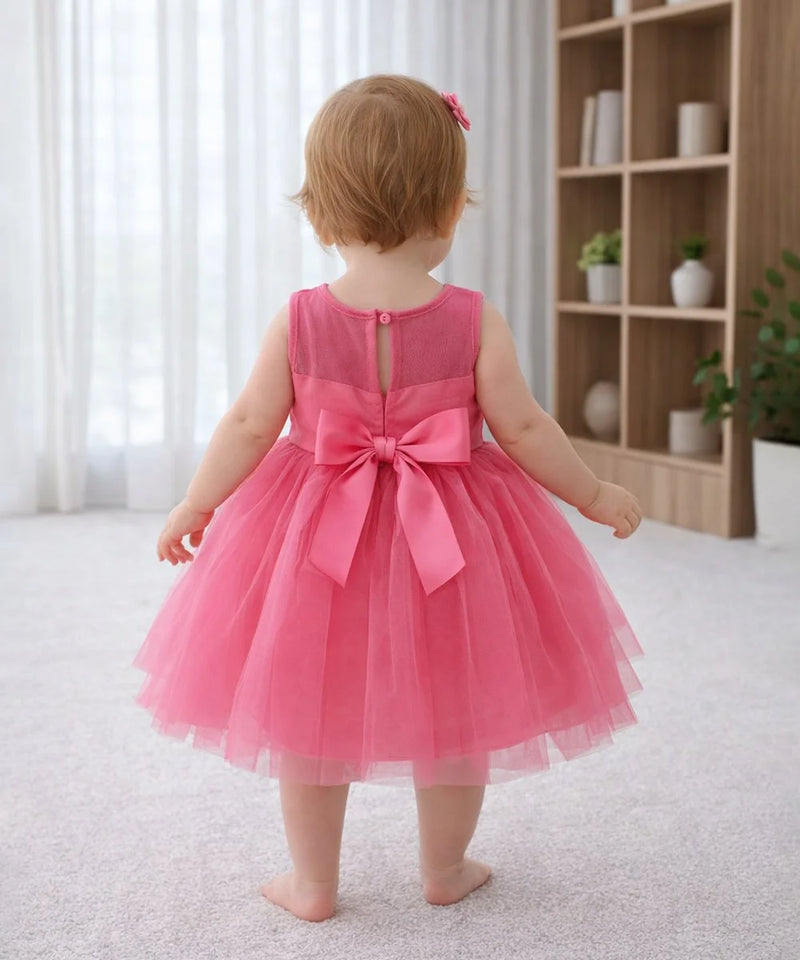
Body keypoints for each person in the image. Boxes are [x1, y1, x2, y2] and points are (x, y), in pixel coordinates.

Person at [132, 74, 643, 924]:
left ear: (321, 207)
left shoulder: (298, 319)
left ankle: (314, 884)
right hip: (452, 542)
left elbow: (252, 424)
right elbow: (522, 427)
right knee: (458, 703)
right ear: (449, 207)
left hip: (313, 542)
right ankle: (443, 867)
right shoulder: (474, 318)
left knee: (307, 707)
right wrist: (590, 492)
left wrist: (197, 503)